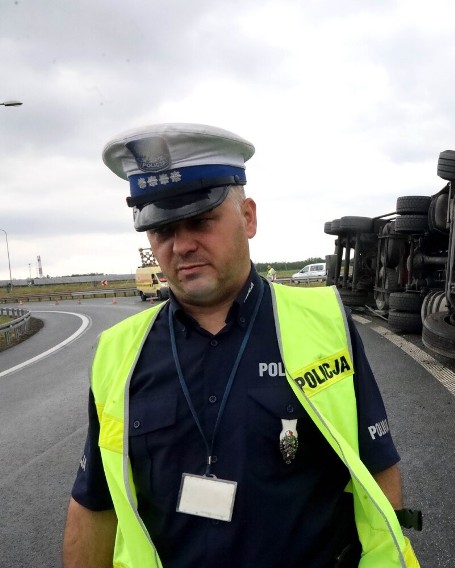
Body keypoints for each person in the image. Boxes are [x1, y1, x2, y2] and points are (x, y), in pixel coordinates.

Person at [62, 123, 420, 568]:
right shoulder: (119, 354)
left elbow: (377, 470)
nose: (182, 245)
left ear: (248, 217)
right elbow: (95, 503)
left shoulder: (326, 323)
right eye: (163, 230)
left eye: (200, 221)